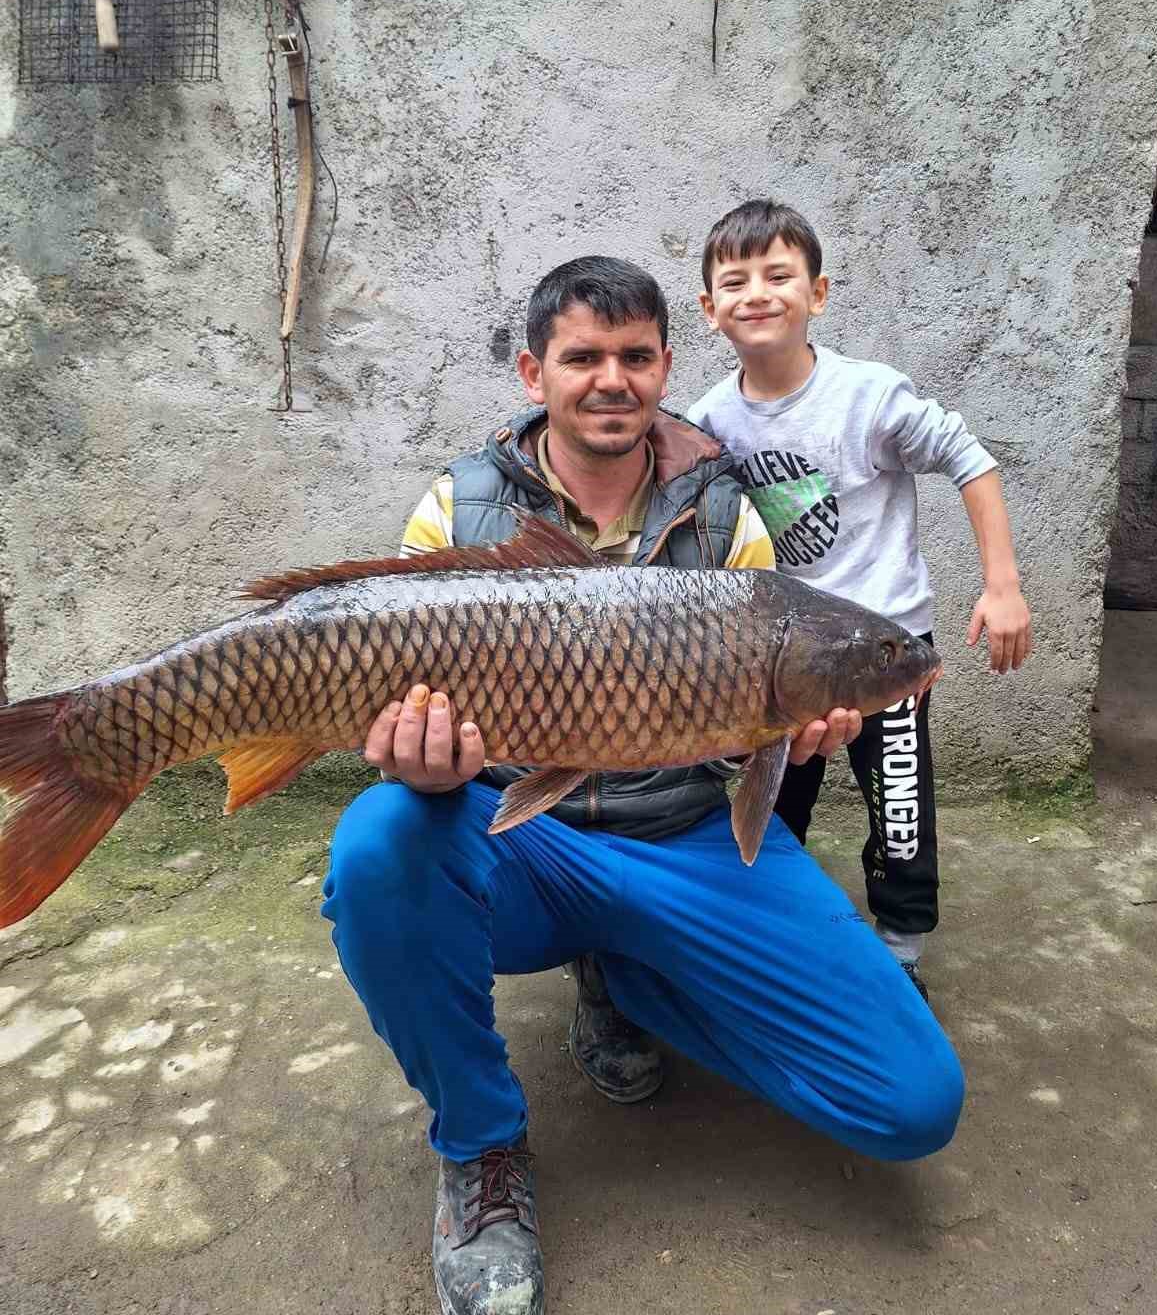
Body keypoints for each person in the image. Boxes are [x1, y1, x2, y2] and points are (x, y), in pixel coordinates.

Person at [321, 256, 965, 1315]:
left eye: (634, 356)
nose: (610, 379)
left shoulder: (729, 512)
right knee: (380, 838)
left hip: (686, 831)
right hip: (520, 831)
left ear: (667, 364)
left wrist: (801, 736)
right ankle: (482, 1149)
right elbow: (388, 679)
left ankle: (637, 975)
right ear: (536, 372)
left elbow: (777, 732)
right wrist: (406, 751)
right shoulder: (456, 505)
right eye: (583, 357)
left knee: (912, 1104)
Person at [689, 200, 1033, 1002]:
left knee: (901, 810)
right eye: (734, 281)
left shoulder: (867, 396)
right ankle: (777, 937)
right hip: (777, 663)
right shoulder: (708, 421)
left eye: (780, 274)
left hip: (886, 649)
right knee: (775, 807)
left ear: (819, 293)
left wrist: (1003, 583)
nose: (757, 293)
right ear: (709, 310)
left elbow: (971, 460)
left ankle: (902, 954)